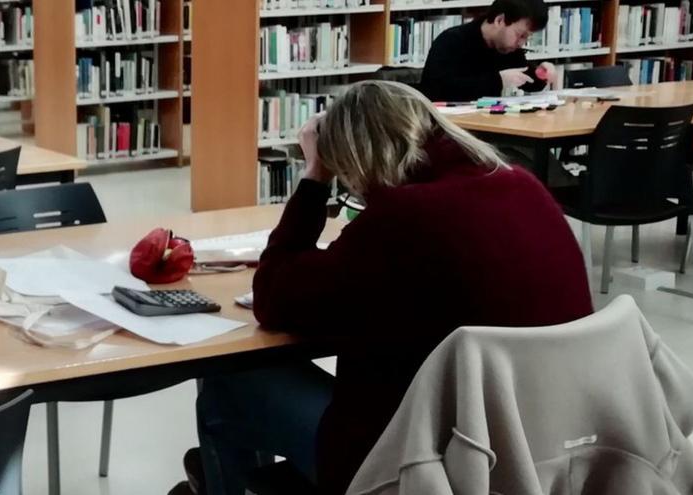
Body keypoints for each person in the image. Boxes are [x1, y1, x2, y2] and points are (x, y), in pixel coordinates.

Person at [193, 81, 593, 495]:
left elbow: (274, 298)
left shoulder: (403, 217)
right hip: (542, 448)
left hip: (420, 466)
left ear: (355, 157)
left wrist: (315, 176)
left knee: (229, 383)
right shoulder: (522, 185)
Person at [420, 0, 556, 102]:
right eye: (520, 35)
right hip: (450, 128)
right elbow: (435, 90)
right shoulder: (452, 40)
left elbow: (526, 80)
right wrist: (499, 81)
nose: (521, 43)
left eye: (527, 37)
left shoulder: (508, 48)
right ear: (499, 20)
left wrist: (542, 74)